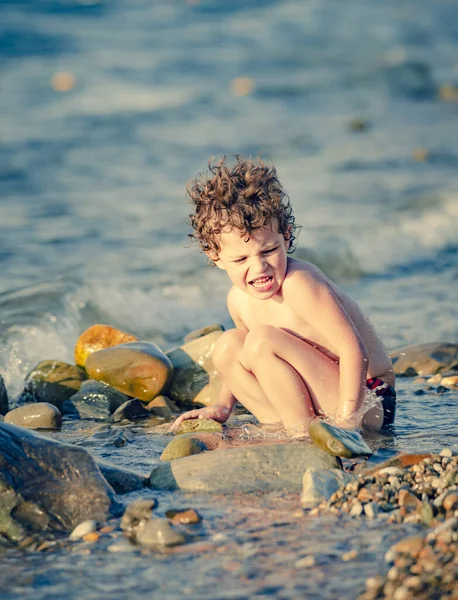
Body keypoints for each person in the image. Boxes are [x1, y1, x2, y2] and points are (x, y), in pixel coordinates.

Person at [172, 156, 395, 435]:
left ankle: (301, 435)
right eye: (241, 259)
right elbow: (249, 363)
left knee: (262, 340)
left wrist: (348, 419)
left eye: (268, 251)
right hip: (323, 393)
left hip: (367, 399)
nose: (259, 267)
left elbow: (354, 350)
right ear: (215, 256)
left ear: (286, 237)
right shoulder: (237, 300)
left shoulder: (299, 284)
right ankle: (284, 427)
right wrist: (222, 406)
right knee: (228, 345)